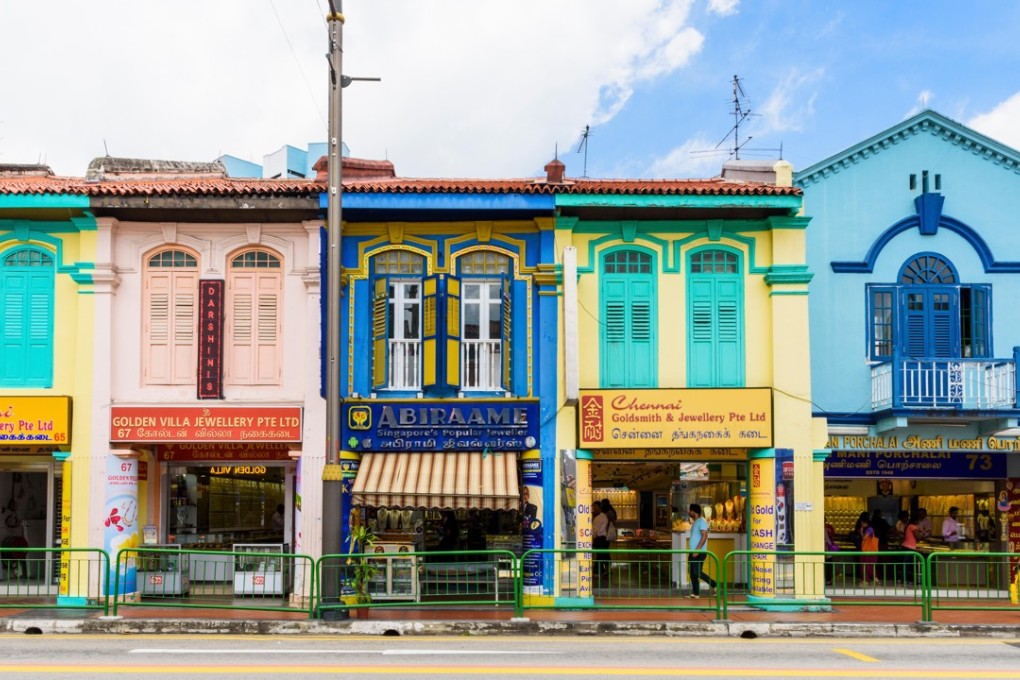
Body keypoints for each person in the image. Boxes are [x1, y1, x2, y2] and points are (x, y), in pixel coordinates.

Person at [687, 503, 717, 599]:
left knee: (697, 572)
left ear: (693, 511)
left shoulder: (702, 521)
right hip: (693, 552)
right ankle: (695, 593)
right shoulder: (696, 522)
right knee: (692, 572)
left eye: (690, 510)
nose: (689, 512)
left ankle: (715, 585)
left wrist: (697, 550)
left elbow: (704, 535)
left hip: (699, 552)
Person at [859, 516, 880, 586]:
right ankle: (875, 579)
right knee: (871, 566)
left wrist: (861, 532)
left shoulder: (869, 529)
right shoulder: (870, 529)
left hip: (869, 551)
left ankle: (866, 580)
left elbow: (865, 537)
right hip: (869, 550)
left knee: (867, 566)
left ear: (863, 522)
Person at [592, 501, 609, 579]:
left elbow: (601, 529)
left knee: (600, 555)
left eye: (595, 507)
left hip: (601, 538)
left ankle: (598, 571)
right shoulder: (596, 517)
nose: (594, 509)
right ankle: (601, 571)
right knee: (600, 555)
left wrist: (596, 535)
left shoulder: (603, 517)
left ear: (599, 507)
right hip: (597, 538)